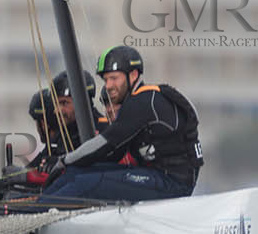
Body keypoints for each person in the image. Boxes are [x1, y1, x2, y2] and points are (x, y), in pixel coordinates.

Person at [41, 47, 203, 202]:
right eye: (105, 80)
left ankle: (36, 213)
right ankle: (36, 207)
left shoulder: (143, 101)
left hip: (173, 184)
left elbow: (106, 142)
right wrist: (69, 167)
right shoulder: (136, 101)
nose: (108, 86)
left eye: (114, 78)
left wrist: (64, 160)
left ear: (133, 75)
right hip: (153, 174)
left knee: (87, 183)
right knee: (75, 173)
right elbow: (114, 154)